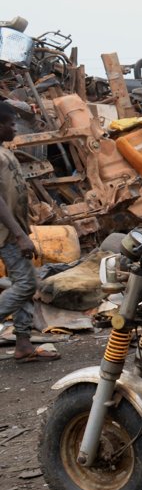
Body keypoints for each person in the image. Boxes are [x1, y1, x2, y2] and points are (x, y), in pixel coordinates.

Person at [0, 102, 59, 363]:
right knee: (27, 284)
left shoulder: (4, 152)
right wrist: (18, 234)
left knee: (22, 282)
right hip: (6, 233)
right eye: (10, 124)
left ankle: (23, 344)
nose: (15, 128)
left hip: (14, 230)